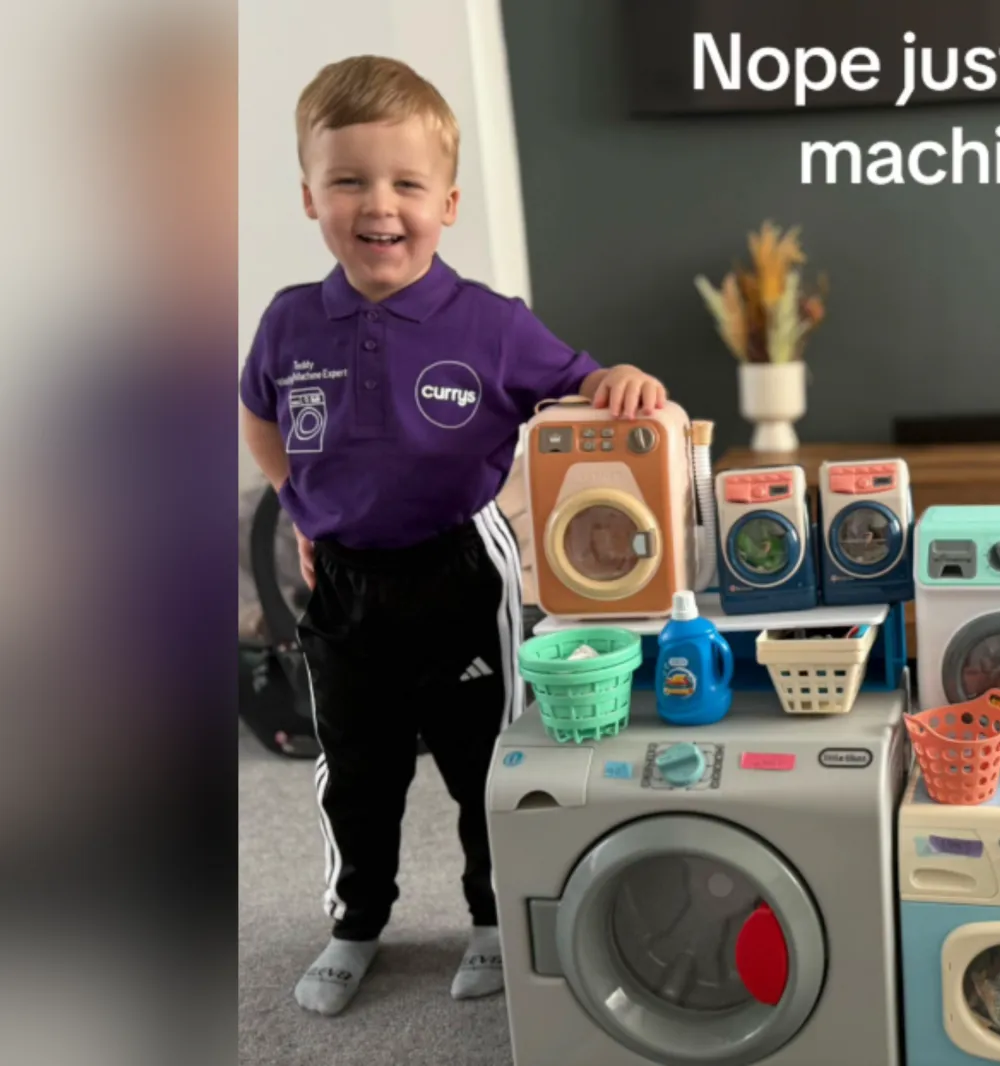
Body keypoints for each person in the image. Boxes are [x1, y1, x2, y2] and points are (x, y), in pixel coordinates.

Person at [238, 55, 669, 1017]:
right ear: (309, 197)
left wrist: (621, 377)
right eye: (349, 180)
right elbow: (257, 415)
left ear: (448, 203)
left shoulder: (492, 326)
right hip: (343, 584)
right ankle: (357, 922)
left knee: (488, 763)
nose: (378, 204)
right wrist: (295, 501)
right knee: (355, 768)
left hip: (462, 573)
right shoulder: (289, 322)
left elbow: (587, 385)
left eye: (406, 183)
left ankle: (491, 917)